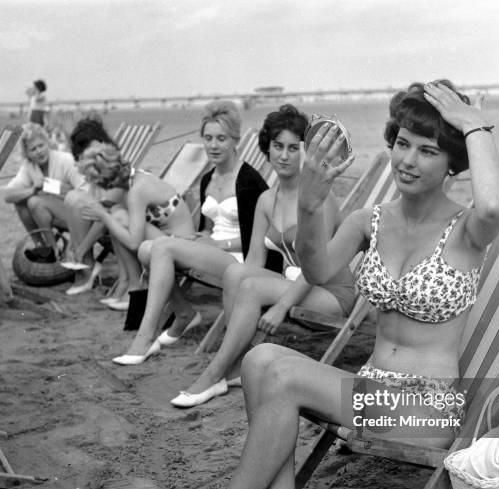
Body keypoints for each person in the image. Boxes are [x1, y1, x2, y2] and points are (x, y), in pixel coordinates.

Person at [159, 80, 499, 489]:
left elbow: (495, 206)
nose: (408, 160)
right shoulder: (373, 220)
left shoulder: (468, 230)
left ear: (453, 164)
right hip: (369, 390)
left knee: (280, 376)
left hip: (424, 409)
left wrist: (471, 121)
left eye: (428, 151)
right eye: (402, 143)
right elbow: (319, 271)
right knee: (260, 360)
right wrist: (310, 201)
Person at [170, 104, 355, 407]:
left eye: (293, 148)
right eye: (277, 146)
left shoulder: (319, 199)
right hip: (292, 285)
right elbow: (254, 262)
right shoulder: (266, 200)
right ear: (266, 149)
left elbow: (316, 267)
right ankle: (235, 365)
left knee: (253, 287)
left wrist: (281, 305)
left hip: (329, 293)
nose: (284, 155)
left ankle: (213, 374)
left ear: (305, 153)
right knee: (236, 273)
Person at [112, 99, 279, 365]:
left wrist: (216, 245)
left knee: (163, 246)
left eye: (221, 138)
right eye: (208, 138)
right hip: (216, 251)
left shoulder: (249, 182)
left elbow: (260, 241)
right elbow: (208, 228)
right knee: (146, 249)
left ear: (235, 140)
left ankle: (144, 339)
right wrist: (195, 239)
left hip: (243, 260)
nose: (213, 145)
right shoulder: (207, 179)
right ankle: (184, 312)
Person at [77, 142, 196, 309]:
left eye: (102, 184)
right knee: (116, 212)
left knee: (117, 217)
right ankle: (127, 283)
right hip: (167, 239)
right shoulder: (134, 178)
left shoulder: (137, 191)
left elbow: (134, 242)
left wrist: (104, 216)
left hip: (182, 247)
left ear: (110, 179)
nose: (102, 188)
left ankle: (135, 287)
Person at [1, 123, 86, 256]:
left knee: (35, 202)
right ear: (27, 154)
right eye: (33, 149)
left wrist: (51, 187)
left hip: (80, 214)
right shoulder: (29, 166)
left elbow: (85, 194)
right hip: (54, 213)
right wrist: (33, 189)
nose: (39, 151)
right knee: (22, 201)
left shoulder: (66, 160)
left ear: (48, 143)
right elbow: (7, 196)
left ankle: (52, 250)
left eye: (41, 145)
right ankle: (41, 246)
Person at [61, 116, 122, 296]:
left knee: (76, 199)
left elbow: (106, 215)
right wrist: (73, 243)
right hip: (102, 216)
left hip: (116, 218)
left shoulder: (114, 170)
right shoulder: (97, 171)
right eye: (85, 149)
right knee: (73, 196)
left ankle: (86, 266)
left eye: (93, 146)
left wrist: (80, 249)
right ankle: (86, 265)